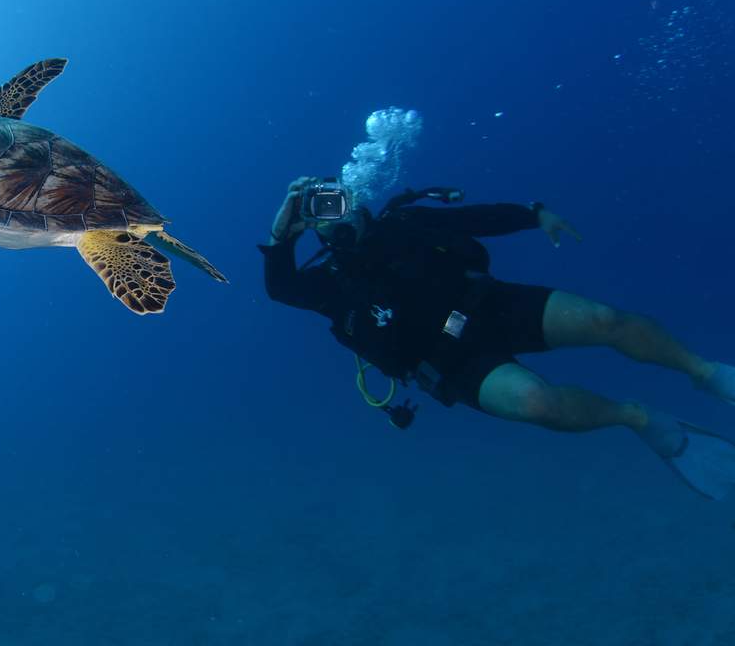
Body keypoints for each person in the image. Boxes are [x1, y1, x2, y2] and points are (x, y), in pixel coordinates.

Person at [261, 176, 735, 499]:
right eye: (318, 214)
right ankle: (638, 417)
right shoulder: (327, 282)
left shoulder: (405, 224)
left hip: (490, 308)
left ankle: (707, 373)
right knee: (538, 404)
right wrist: (282, 234)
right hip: (449, 361)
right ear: (311, 226)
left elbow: (478, 219)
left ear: (357, 198)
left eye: (336, 202)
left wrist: (536, 214)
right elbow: (279, 287)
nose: (332, 217)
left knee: (605, 319)